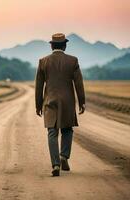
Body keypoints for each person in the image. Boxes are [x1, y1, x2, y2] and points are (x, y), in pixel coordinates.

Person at [35, 33, 86, 176]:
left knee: (52, 132)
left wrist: (38, 105)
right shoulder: (73, 61)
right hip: (68, 102)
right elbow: (79, 84)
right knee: (67, 130)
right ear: (65, 45)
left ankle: (56, 165)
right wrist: (82, 102)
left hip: (50, 101)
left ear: (51, 45)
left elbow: (39, 86)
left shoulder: (43, 61)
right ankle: (64, 156)